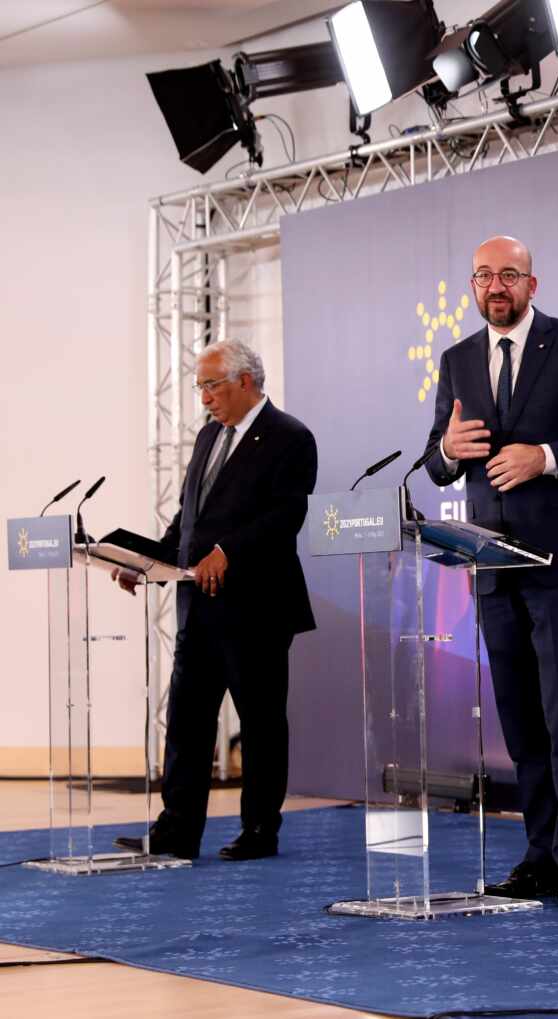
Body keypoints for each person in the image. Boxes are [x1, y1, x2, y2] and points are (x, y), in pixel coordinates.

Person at [425, 235, 558, 908]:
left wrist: (543, 455)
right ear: (472, 286)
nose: (496, 286)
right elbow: (438, 461)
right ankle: (540, 853)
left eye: (508, 275)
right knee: (520, 718)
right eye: (484, 275)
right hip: (491, 565)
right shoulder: (457, 359)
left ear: (532, 284)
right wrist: (446, 450)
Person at [113, 340, 317, 861]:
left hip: (257, 608)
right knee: (186, 722)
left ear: (245, 381)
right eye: (199, 386)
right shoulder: (208, 437)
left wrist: (229, 551)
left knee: (261, 724)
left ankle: (259, 830)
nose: (203, 397)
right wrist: (146, 561)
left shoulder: (290, 437)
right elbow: (189, 520)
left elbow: (286, 515)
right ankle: (176, 832)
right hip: (197, 608)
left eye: (211, 385)